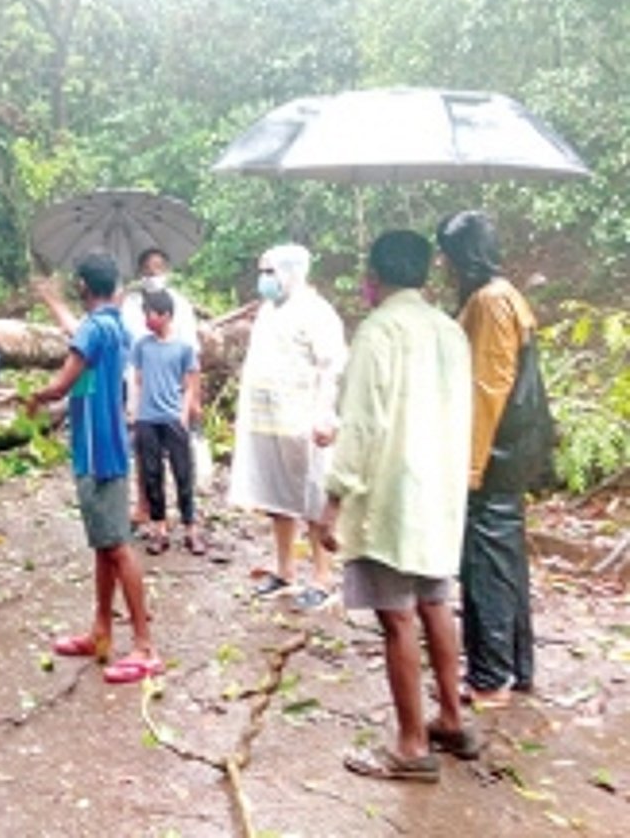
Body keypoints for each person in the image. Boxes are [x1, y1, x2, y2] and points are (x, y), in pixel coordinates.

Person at [321, 229, 476, 782]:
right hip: (440, 491)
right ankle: (453, 719)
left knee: (397, 618)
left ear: (373, 277)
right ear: (426, 275)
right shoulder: (449, 330)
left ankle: (412, 746)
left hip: (392, 493)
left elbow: (362, 422)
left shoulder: (378, 330)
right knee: (436, 603)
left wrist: (334, 499)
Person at [26, 250, 162, 684]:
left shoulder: (95, 328)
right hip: (107, 446)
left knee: (117, 546)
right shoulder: (114, 325)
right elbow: (76, 337)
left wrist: (34, 398)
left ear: (83, 285)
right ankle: (101, 630)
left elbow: (64, 381)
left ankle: (145, 647)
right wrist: (52, 303)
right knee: (104, 546)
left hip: (97, 450)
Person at [436, 210, 538, 707]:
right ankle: (513, 668)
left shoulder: (492, 300)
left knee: (487, 563)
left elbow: (488, 386)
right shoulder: (499, 295)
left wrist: (470, 466)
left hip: (495, 452)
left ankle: (490, 675)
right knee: (503, 559)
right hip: (505, 450)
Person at [34, 247, 202, 529]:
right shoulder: (124, 315)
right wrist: (55, 304)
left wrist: (193, 397)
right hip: (133, 391)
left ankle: (187, 518)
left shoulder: (178, 306)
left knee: (178, 461)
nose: (153, 275)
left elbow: (192, 358)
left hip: (163, 394)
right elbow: (86, 335)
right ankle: (148, 510)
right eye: (147, 270)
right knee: (145, 455)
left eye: (158, 268)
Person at [226, 244, 346, 610]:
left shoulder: (316, 312)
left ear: (291, 272)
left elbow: (333, 366)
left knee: (312, 497)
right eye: (262, 272)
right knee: (278, 499)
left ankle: (323, 578)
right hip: (268, 421)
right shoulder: (268, 311)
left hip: (304, 422)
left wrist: (325, 413)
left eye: (270, 272)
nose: (264, 280)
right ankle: (285, 570)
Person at [129, 290, 203, 555]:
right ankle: (159, 529)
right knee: (151, 475)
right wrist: (135, 414)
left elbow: (191, 384)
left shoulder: (184, 348)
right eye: (145, 314)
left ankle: (190, 529)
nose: (147, 320)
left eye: (151, 314)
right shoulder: (142, 346)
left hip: (173, 417)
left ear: (166, 315)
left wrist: (184, 414)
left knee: (183, 474)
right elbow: (137, 381)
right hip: (148, 418)